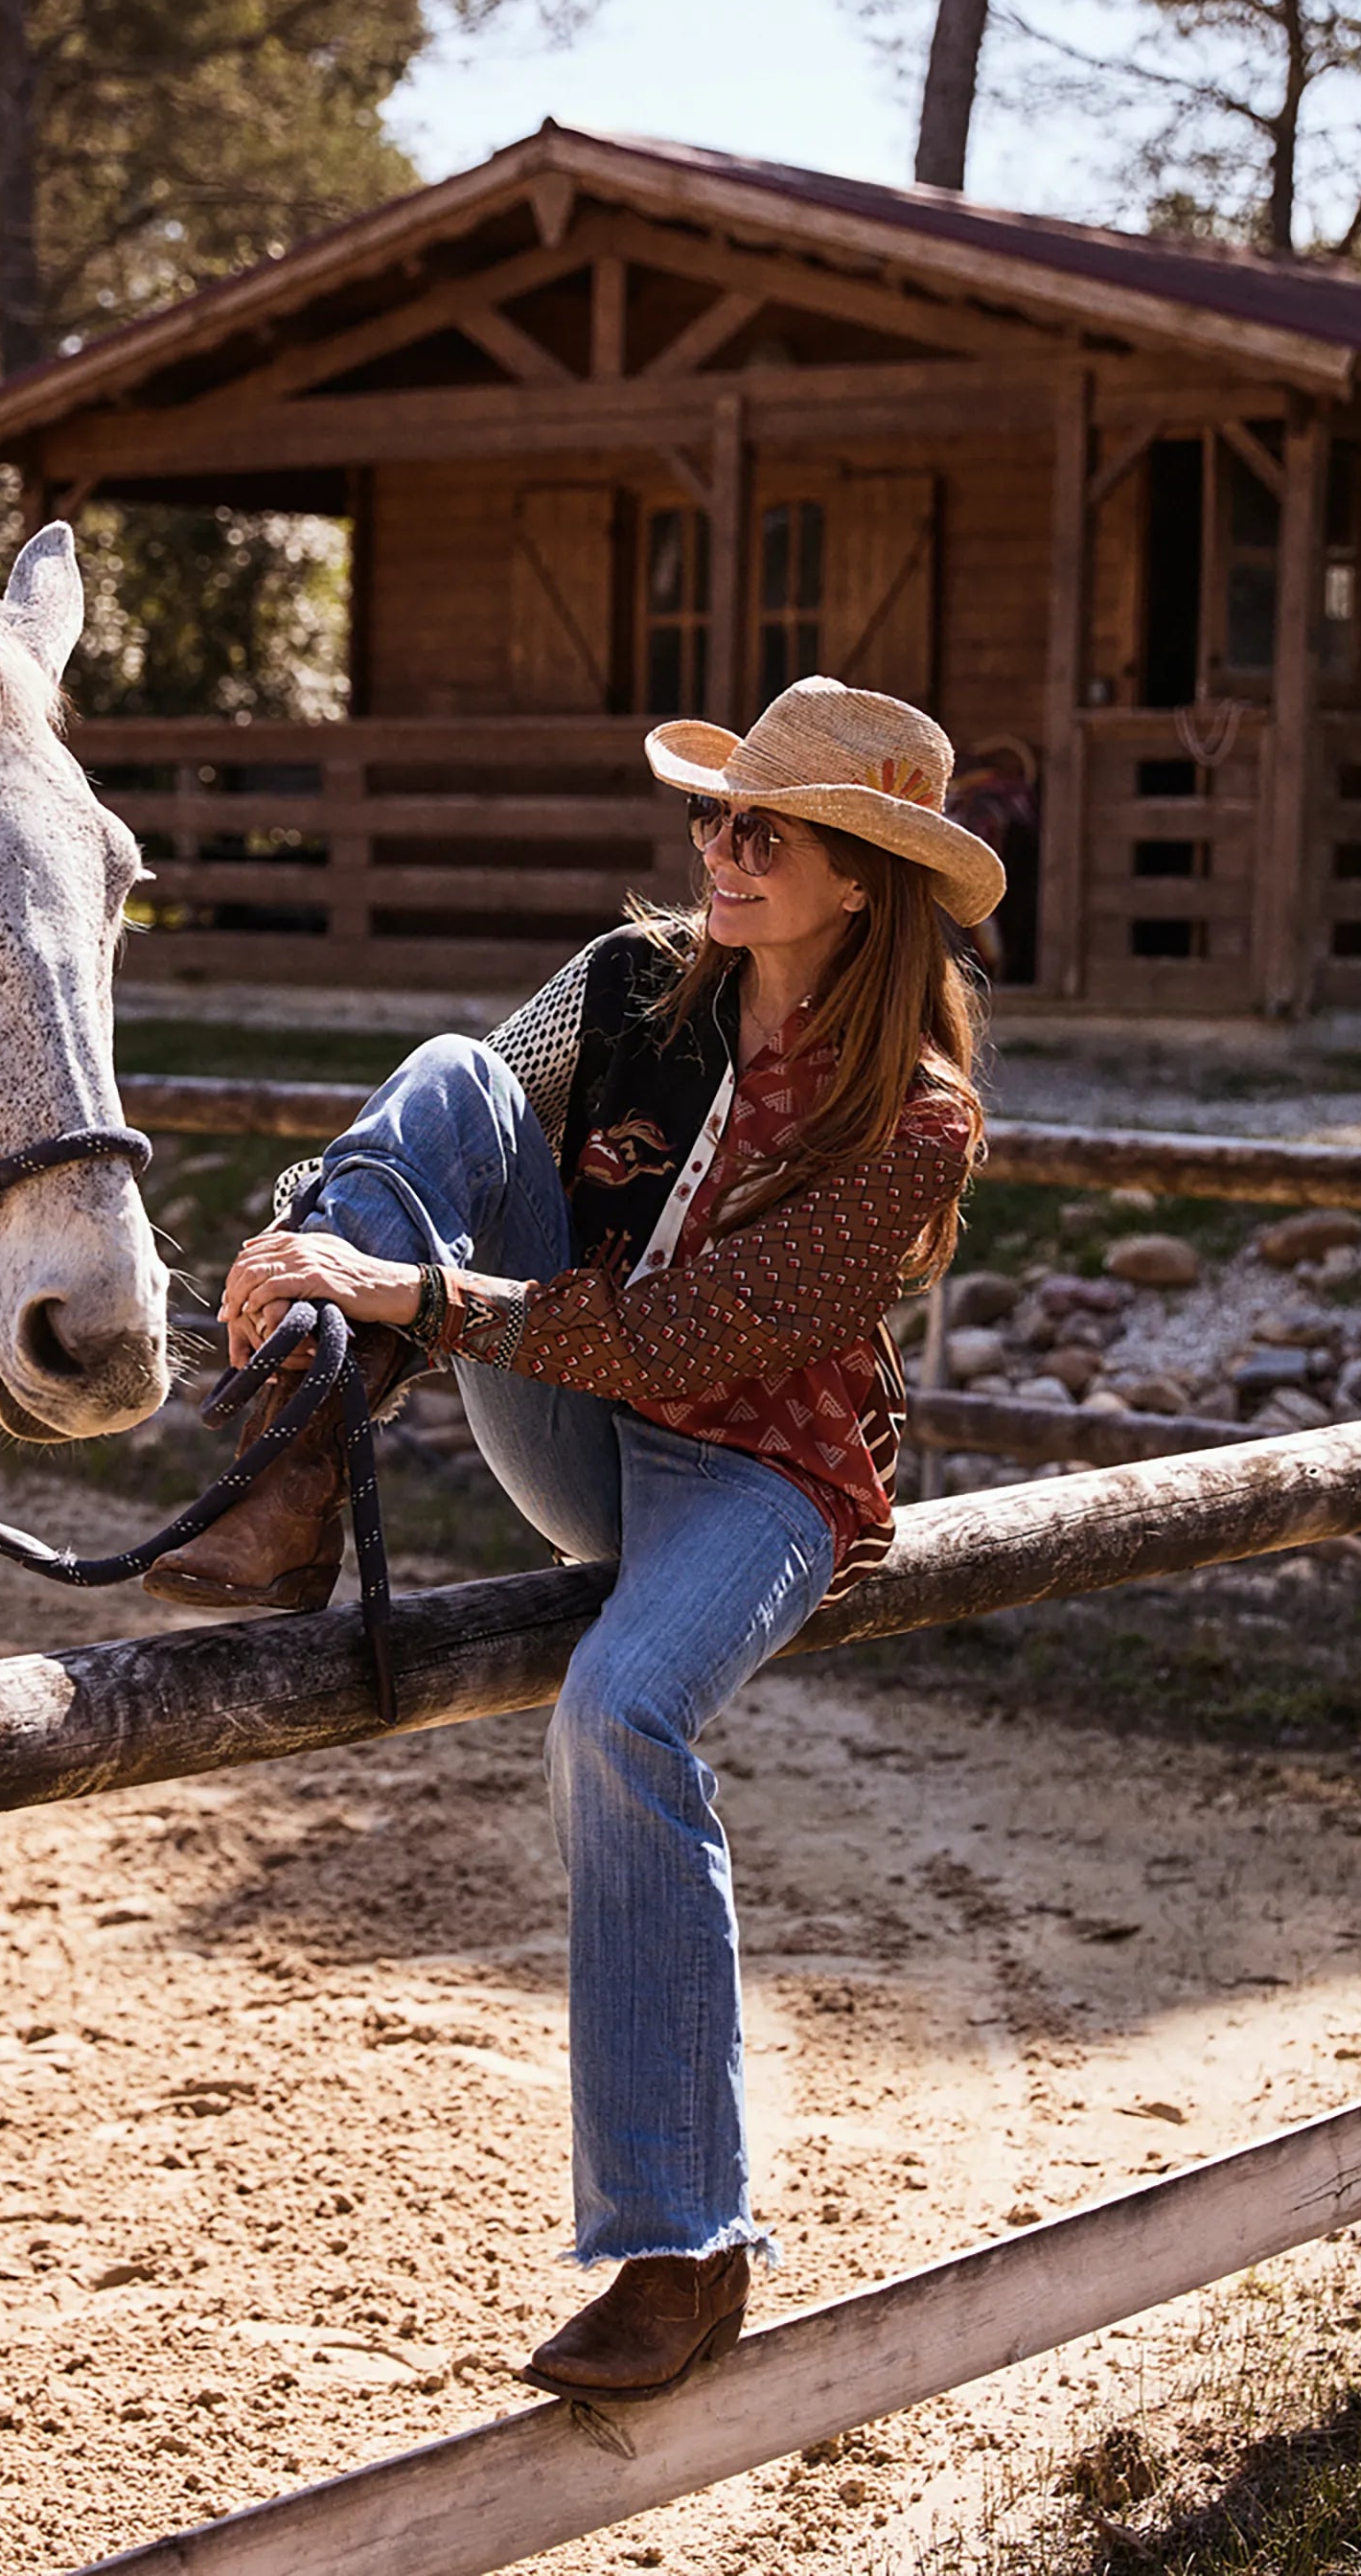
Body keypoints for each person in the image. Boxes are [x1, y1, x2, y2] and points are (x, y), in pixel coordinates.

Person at [145, 676, 1004, 2403]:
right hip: (584, 1427)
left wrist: (405, 1291)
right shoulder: (627, 986)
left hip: (758, 1478)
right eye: (712, 817)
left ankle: (683, 2249)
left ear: (860, 880)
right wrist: (316, 1254)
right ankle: (308, 1420)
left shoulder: (914, 1118)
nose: (721, 848)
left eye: (766, 830)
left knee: (621, 1714)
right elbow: (468, 1126)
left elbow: (689, 1341)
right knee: (460, 1073)